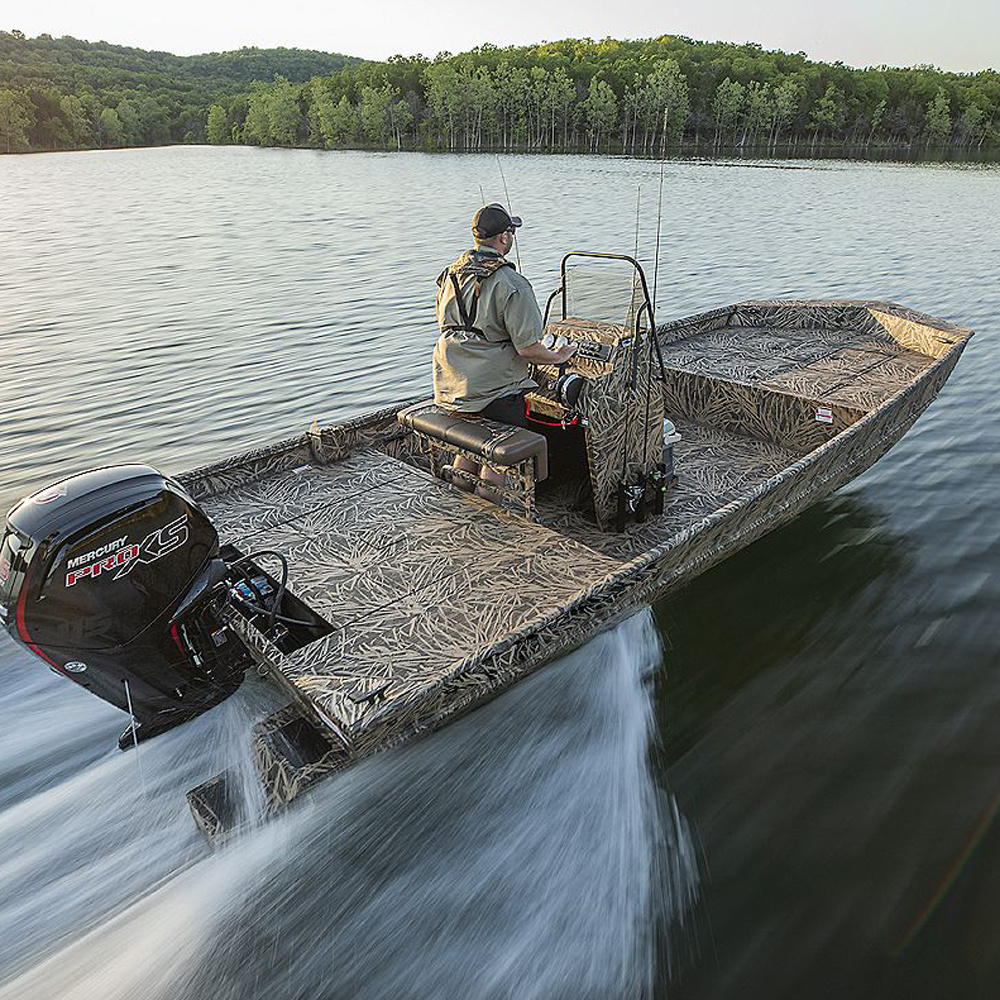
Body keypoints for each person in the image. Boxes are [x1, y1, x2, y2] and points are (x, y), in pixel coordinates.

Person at [433, 203, 575, 430]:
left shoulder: (450, 275)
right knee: (499, 455)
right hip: (493, 392)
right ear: (504, 237)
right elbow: (528, 350)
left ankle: (457, 468)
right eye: (512, 232)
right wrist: (559, 356)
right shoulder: (512, 283)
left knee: (470, 445)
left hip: (450, 385)